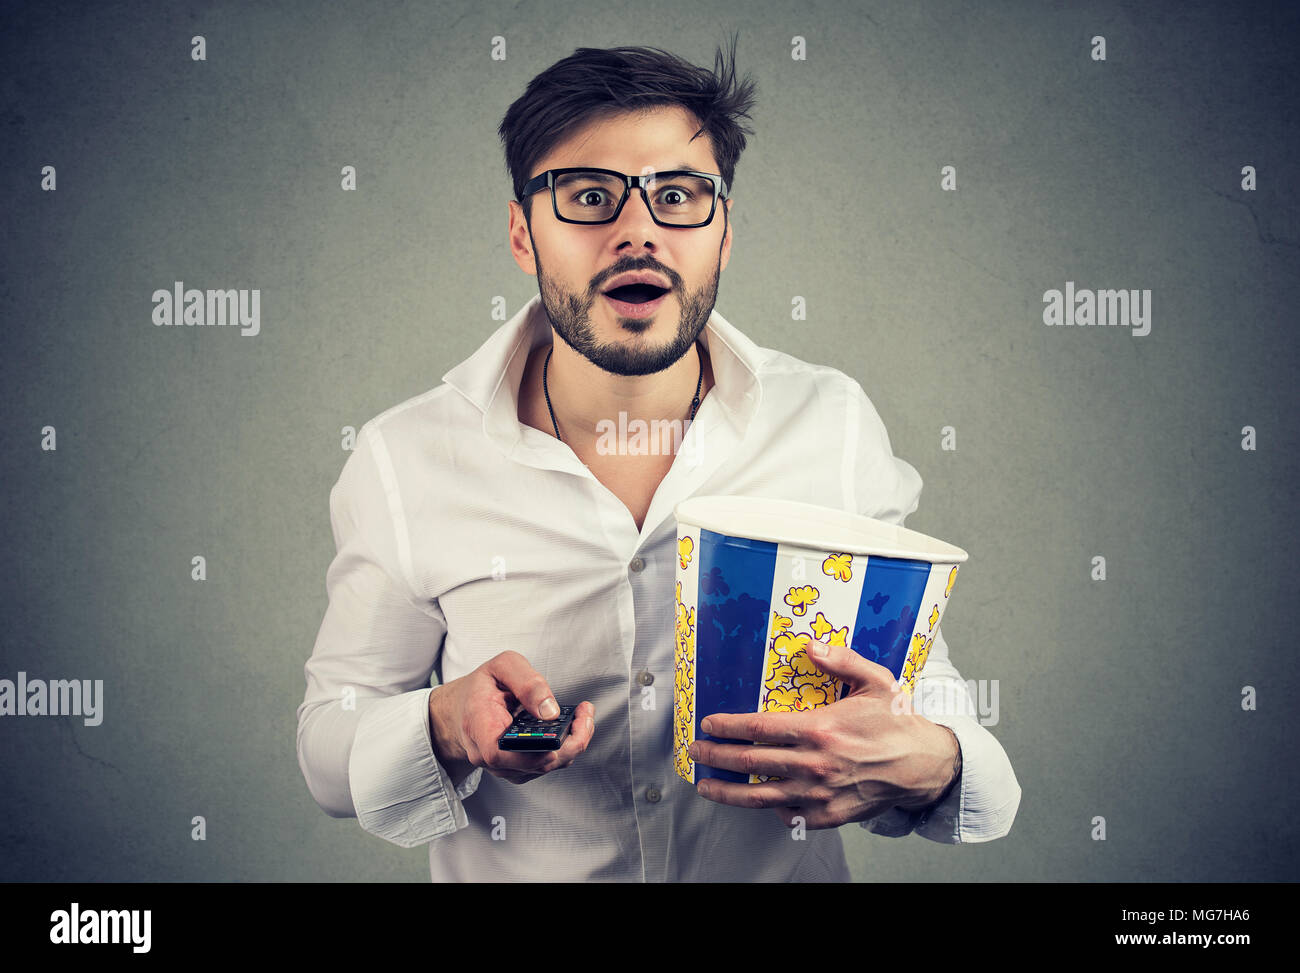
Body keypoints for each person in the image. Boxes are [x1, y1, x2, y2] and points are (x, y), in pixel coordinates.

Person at [296, 39, 1021, 882]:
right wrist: (446, 723)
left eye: (678, 195)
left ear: (723, 232)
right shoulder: (405, 457)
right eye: (590, 196)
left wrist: (932, 759)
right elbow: (327, 746)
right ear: (522, 234)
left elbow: (928, 702)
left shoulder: (833, 424)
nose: (637, 232)